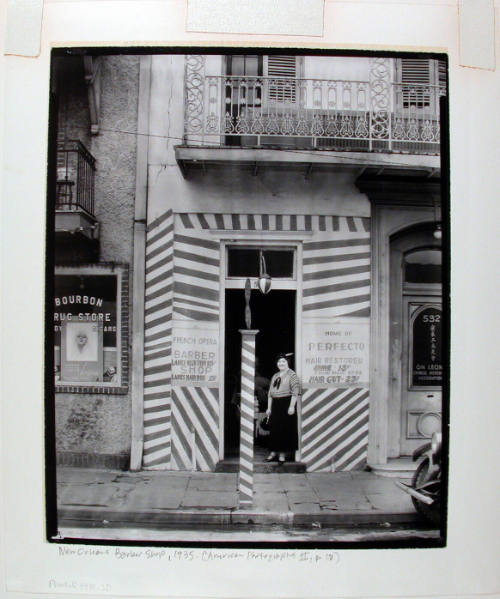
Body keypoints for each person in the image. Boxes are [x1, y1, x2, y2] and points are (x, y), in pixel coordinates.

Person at [265, 353, 300, 464]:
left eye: (283, 361)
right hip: (275, 405)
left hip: (286, 404)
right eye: (279, 362)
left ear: (288, 362)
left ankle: (282, 455)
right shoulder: (275, 376)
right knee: (275, 429)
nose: (281, 363)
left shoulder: (292, 375)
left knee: (284, 430)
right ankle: (273, 453)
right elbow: (270, 394)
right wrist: (269, 408)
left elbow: (295, 392)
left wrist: (291, 406)